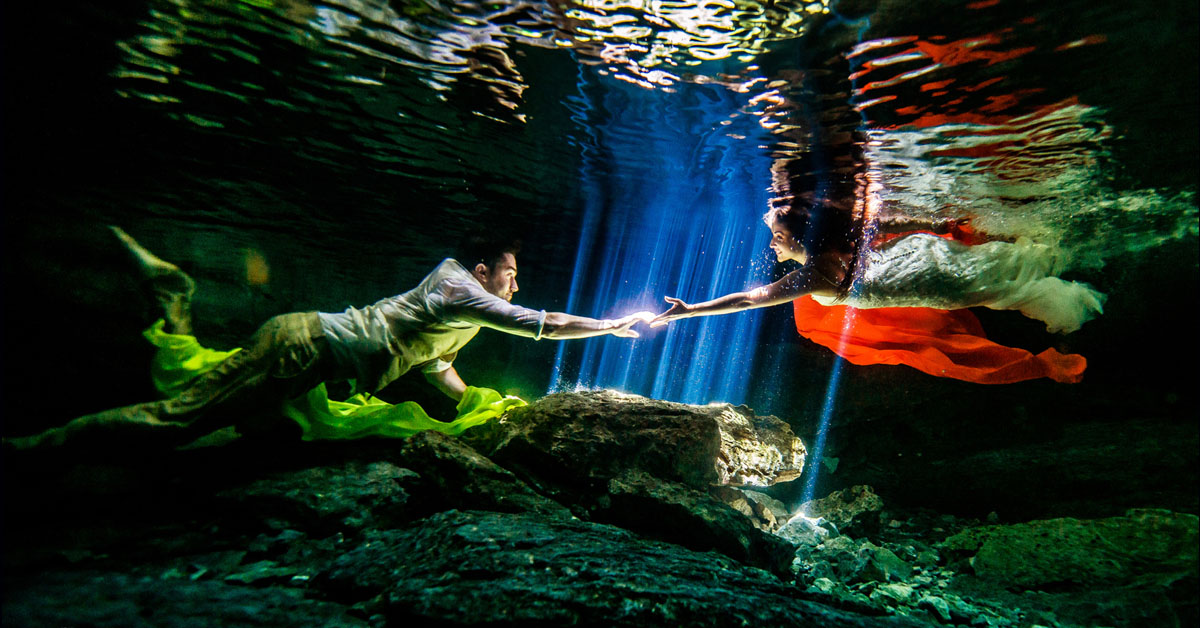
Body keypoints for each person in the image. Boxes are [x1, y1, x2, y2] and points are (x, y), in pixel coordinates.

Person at [9, 227, 654, 451]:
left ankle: (174, 300)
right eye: (510, 276)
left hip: (309, 361)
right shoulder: (459, 287)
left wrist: (488, 412)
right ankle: (32, 449)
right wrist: (614, 322)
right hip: (303, 346)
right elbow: (537, 324)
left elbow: (437, 374)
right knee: (175, 420)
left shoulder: (458, 315)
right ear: (485, 270)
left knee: (219, 409)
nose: (514, 287)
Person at [650, 205, 1107, 384]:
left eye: (778, 234)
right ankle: (1084, 251)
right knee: (1030, 266)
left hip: (948, 268)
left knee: (1029, 264)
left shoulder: (818, 272)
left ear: (798, 235)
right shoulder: (824, 259)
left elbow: (751, 299)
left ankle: (1086, 246)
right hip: (946, 272)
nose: (772, 244)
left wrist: (689, 311)